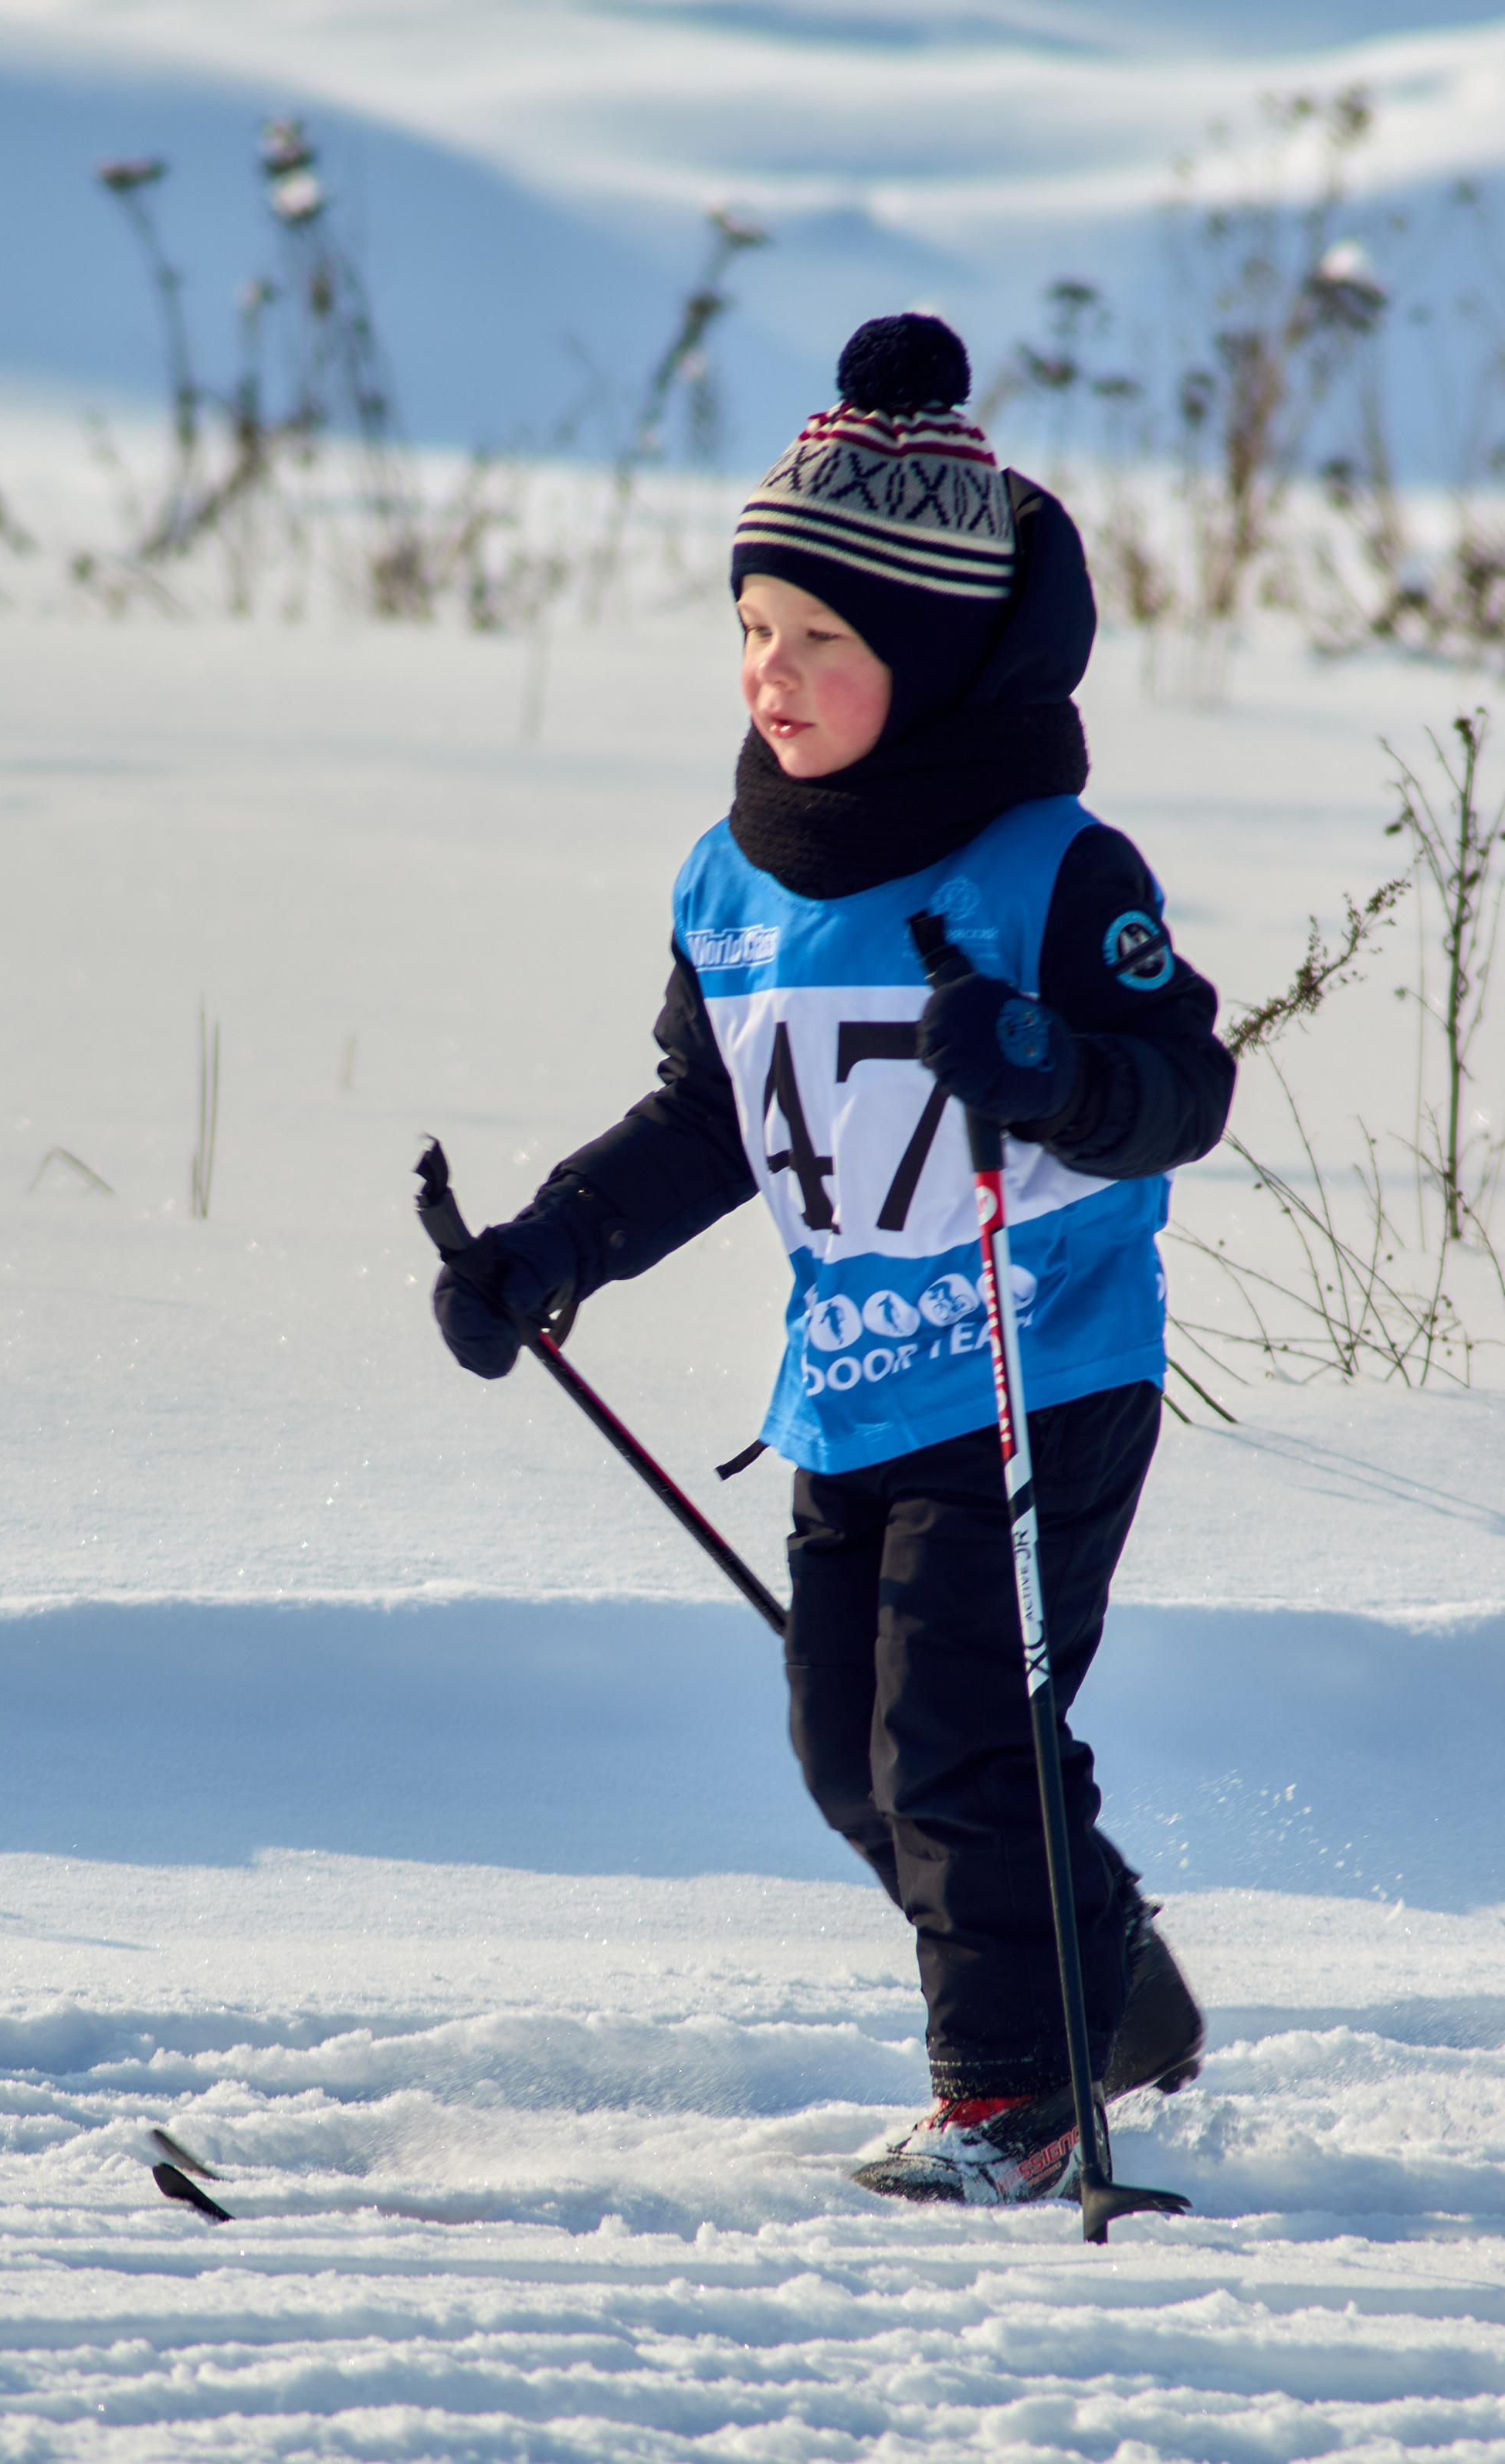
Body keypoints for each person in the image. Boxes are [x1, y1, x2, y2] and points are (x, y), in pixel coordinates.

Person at [429, 314, 1232, 2207]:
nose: (768, 677)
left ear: (932, 656)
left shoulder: (1049, 867)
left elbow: (1177, 1090)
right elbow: (707, 1117)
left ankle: (1010, 2102)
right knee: (850, 1760)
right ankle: (1098, 1981)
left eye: (821, 643)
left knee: (959, 1736)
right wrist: (550, 1248)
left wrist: (1041, 1066)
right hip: (850, 1395)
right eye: (752, 633)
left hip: (1041, 1363)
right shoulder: (733, 877)